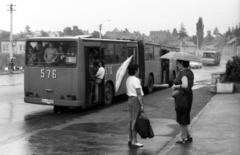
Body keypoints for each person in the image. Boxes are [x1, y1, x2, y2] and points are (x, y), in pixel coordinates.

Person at [171, 60, 194, 144]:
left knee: (182, 116)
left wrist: (175, 86)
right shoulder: (190, 72)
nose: (177, 65)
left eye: (178, 63)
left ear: (181, 63)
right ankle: (188, 135)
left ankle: (183, 137)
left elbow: (185, 85)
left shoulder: (183, 73)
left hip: (183, 96)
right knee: (185, 114)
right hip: (188, 95)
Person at [126, 64, 144, 147]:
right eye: (138, 69)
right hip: (135, 100)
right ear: (136, 71)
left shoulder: (128, 79)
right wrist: (142, 105)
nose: (139, 70)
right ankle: (134, 140)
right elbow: (138, 93)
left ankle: (130, 138)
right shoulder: (136, 80)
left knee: (131, 119)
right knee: (135, 120)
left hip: (129, 99)